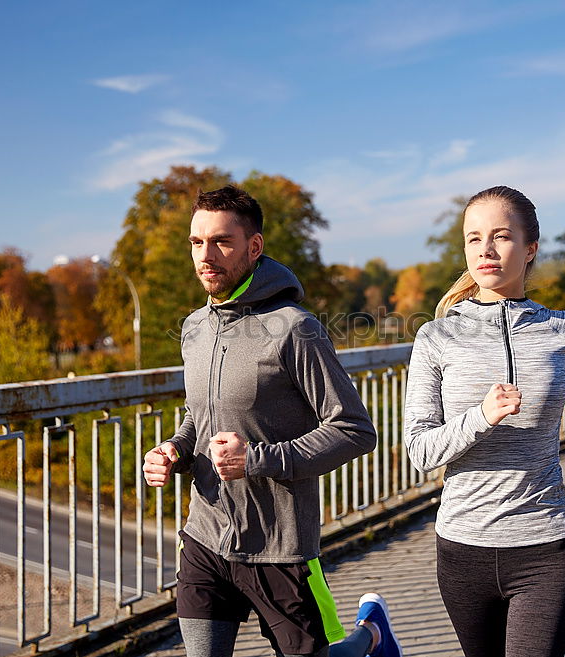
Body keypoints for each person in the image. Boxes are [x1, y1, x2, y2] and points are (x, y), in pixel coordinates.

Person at [143, 185, 402, 657]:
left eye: (221, 241)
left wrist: (257, 459)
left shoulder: (294, 328)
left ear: (254, 246)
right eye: (196, 242)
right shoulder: (194, 328)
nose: (206, 255)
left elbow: (355, 430)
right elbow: (196, 417)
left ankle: (372, 635)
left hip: (279, 547)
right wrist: (175, 451)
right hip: (204, 535)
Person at [404, 185, 565, 657]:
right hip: (462, 551)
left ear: (530, 249)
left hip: (545, 547)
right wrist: (481, 417)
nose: (485, 250)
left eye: (500, 236)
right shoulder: (437, 336)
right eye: (473, 238)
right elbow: (421, 452)